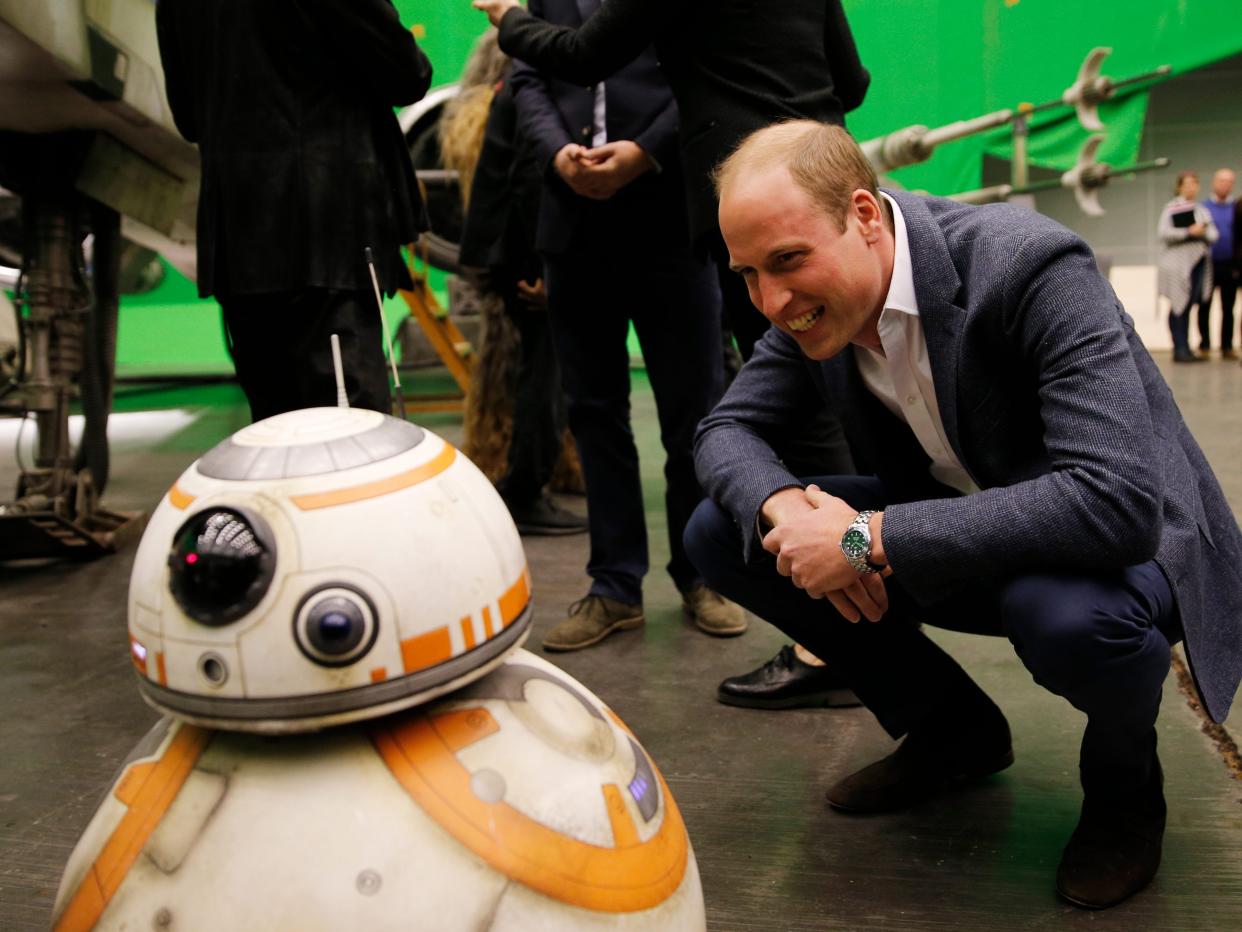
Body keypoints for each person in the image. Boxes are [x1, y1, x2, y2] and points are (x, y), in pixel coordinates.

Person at [683, 121, 1242, 909]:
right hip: (967, 525)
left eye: (787, 262)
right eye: (746, 274)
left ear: (866, 217)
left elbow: (1116, 499)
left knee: (1066, 618)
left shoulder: (1029, 264)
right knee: (727, 531)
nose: (771, 302)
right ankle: (952, 731)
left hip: (1125, 543)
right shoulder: (815, 306)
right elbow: (725, 431)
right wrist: (785, 508)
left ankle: (1125, 785)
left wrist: (862, 537)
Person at [474, 0, 865, 695]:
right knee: (831, 406)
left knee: (780, 420)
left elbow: (588, 51)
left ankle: (835, 641)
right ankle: (847, 625)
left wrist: (508, 17)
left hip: (736, 200)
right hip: (815, 182)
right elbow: (852, 81)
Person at [507, 0, 744, 650]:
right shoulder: (545, 1)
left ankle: (703, 575)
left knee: (694, 414)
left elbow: (698, 74)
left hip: (668, 222)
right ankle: (614, 586)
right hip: (572, 228)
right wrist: (559, 154)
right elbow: (526, 79)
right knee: (593, 412)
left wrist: (644, 152)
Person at [156, 0, 431, 420]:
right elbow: (408, 75)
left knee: (274, 435)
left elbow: (188, 117)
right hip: (327, 232)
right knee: (349, 437)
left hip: (239, 236)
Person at [452, 45, 587, 536]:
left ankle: (526, 482)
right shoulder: (538, 85)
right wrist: (547, 265)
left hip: (503, 250)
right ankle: (526, 488)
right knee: (543, 371)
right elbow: (530, 178)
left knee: (534, 366)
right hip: (526, 255)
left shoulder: (511, 84)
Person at [1157, 171, 1217, 364]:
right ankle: (1179, 348)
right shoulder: (1172, 208)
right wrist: (1188, 231)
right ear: (1180, 186)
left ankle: (1186, 348)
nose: (1191, 187)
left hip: (1197, 262)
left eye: (1194, 183)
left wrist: (1202, 231)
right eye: (1187, 184)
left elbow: (1214, 234)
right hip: (1177, 265)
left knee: (1189, 304)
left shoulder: (1201, 210)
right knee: (1178, 304)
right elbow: (1163, 233)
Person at [1202, 168, 1238, 359]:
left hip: (1230, 265)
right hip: (1208, 265)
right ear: (1214, 182)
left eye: (1229, 181)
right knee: (1204, 305)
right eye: (1222, 181)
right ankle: (1205, 345)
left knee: (1228, 307)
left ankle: (1227, 346)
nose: (1225, 185)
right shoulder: (1203, 207)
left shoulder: (1236, 207)